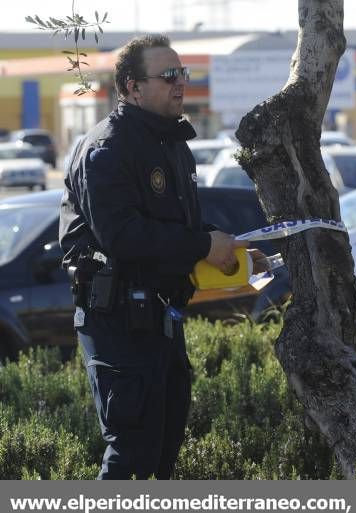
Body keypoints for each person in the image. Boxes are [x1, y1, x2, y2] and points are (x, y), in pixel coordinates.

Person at [59, 35, 264, 479]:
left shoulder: (171, 144)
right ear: (133, 87)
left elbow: (182, 232)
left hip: (162, 320)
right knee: (131, 455)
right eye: (168, 75)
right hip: (117, 323)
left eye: (182, 73)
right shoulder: (106, 150)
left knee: (162, 455)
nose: (180, 83)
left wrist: (229, 250)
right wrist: (201, 245)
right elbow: (125, 237)